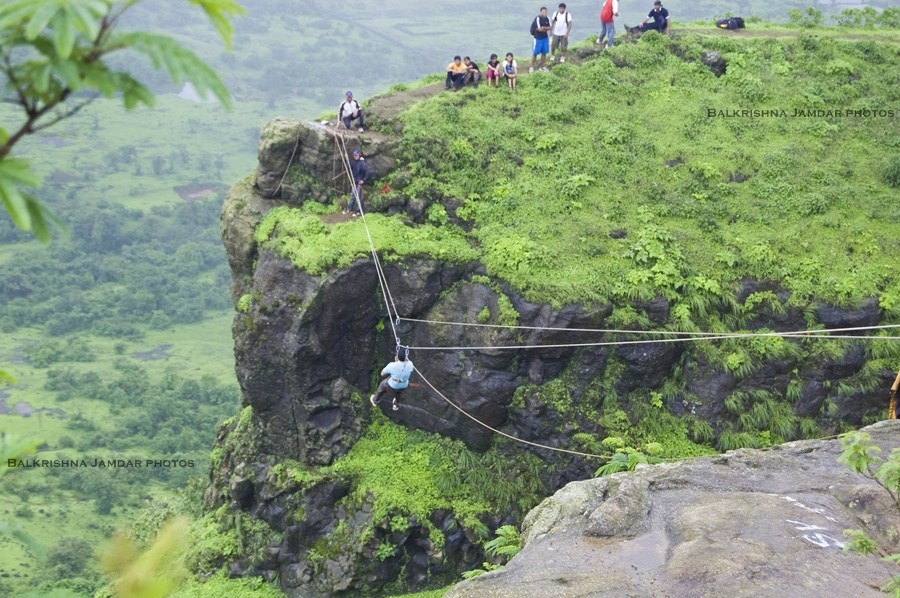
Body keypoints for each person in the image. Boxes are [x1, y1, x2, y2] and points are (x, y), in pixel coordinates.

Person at [370, 347, 414, 411]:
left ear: (397, 357)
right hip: (404, 385)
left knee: (383, 385)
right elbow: (406, 368)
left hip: (393, 384)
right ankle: (396, 405)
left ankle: (375, 400)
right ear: (406, 357)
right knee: (398, 392)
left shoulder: (392, 365)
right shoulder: (410, 364)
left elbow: (382, 374)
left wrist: (396, 362)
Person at [346, 149, 368, 216]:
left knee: (358, 196)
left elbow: (367, 173)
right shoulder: (353, 162)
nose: (355, 156)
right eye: (354, 155)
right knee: (353, 195)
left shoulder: (362, 163)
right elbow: (348, 167)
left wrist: (363, 180)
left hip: (359, 183)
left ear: (359, 155)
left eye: (356, 155)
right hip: (354, 181)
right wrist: (346, 159)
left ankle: (358, 211)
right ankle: (349, 208)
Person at [529, 7, 552, 73]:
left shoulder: (547, 18)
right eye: (543, 12)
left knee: (544, 53)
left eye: (545, 12)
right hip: (538, 38)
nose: (544, 13)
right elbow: (539, 29)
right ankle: (531, 67)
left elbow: (551, 27)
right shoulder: (537, 18)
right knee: (535, 53)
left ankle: (542, 66)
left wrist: (543, 27)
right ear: (540, 12)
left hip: (545, 38)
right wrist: (546, 29)